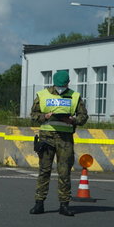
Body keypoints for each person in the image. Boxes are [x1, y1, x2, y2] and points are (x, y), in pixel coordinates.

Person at [29, 70, 88, 216]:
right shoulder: (42, 95)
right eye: (59, 85)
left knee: (64, 172)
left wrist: (73, 120)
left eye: (64, 85)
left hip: (65, 139)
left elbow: (83, 116)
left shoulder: (75, 96)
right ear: (53, 83)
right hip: (46, 138)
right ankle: (39, 203)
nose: (61, 88)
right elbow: (33, 115)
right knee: (44, 170)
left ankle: (64, 205)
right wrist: (45, 116)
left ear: (68, 83)